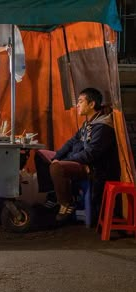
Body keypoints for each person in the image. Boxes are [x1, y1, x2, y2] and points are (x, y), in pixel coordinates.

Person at [34, 87, 120, 223]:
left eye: (80, 101)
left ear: (91, 104)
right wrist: (56, 157)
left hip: (90, 167)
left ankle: (66, 203)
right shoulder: (88, 123)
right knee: (41, 155)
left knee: (56, 168)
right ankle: (53, 195)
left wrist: (62, 161)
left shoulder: (103, 127)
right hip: (77, 158)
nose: (77, 105)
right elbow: (71, 142)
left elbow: (90, 155)